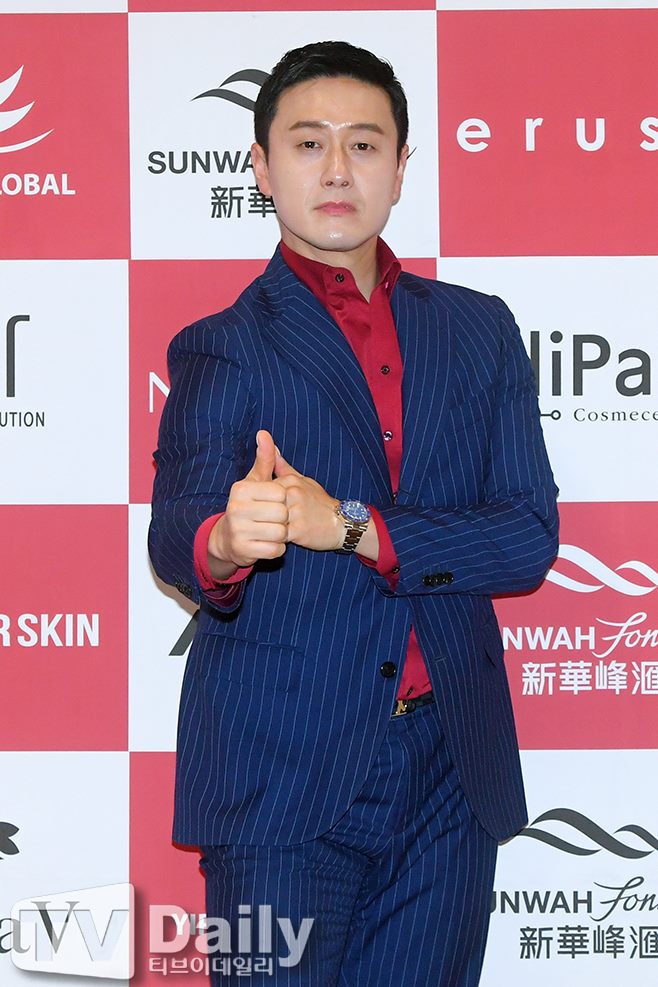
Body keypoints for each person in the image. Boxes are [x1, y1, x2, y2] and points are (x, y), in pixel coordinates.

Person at [148, 40, 559, 986]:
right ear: (261, 166)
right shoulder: (221, 345)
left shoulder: (479, 330)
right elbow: (178, 531)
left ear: (401, 167)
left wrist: (355, 527)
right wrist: (225, 540)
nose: (338, 169)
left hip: (449, 769)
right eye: (309, 143)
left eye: (365, 144)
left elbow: (527, 535)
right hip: (277, 777)